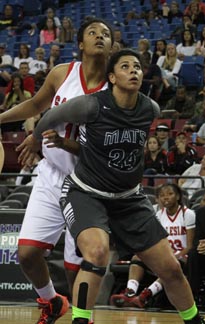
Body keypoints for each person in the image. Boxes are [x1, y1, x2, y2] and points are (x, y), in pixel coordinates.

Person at [30, 48, 205, 324]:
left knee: (171, 269)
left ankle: (196, 320)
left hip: (129, 198)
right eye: (125, 66)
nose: (134, 70)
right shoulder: (89, 105)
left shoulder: (151, 108)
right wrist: (35, 139)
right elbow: (50, 117)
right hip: (86, 194)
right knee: (97, 253)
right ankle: (80, 320)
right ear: (111, 77)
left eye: (137, 66)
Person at [0, 17, 115, 324]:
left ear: (112, 46)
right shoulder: (62, 73)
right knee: (26, 254)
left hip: (88, 184)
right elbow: (37, 105)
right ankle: (52, 302)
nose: (100, 37)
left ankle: (83, 316)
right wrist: (3, 119)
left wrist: (48, 138)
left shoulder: (115, 87)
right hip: (51, 175)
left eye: (106, 34)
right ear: (80, 43)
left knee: (77, 266)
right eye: (93, 32)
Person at [110, 183, 195, 308]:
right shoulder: (158, 214)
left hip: (183, 255)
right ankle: (130, 293)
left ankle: (146, 295)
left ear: (177, 196)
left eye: (170, 194)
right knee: (137, 257)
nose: (165, 198)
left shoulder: (187, 214)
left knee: (171, 264)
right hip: (165, 253)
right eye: (162, 195)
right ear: (158, 199)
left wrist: (175, 256)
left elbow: (190, 245)